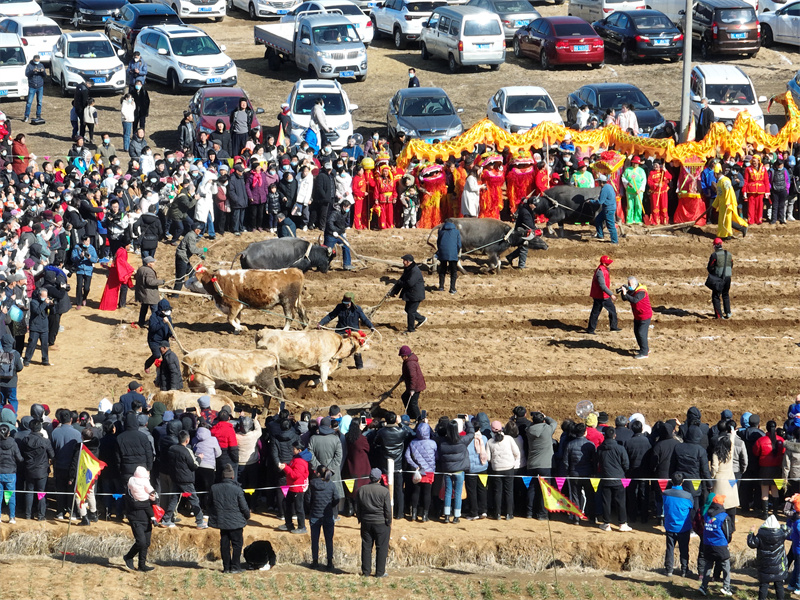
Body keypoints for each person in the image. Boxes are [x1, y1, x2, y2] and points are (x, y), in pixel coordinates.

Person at [208, 462, 250, 574]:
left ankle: (226, 567)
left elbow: (208, 503)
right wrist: (247, 516)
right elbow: (244, 507)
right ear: (232, 476)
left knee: (224, 544)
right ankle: (235, 567)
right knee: (237, 544)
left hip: (222, 521)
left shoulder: (214, 488)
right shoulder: (237, 489)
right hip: (236, 522)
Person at [318, 292, 374, 369]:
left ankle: (359, 366)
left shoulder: (357, 309)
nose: (346, 304)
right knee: (338, 347)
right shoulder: (339, 307)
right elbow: (331, 316)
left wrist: (371, 326)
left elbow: (364, 319)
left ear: (352, 302)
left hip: (354, 332)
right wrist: (321, 323)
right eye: (345, 303)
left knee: (357, 349)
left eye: (348, 303)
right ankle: (338, 364)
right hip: (341, 331)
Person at [162, 431, 206, 529]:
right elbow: (194, 466)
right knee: (194, 499)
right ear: (187, 440)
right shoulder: (187, 451)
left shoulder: (171, 449)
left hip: (175, 477)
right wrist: (199, 458)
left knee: (174, 498)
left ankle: (166, 519)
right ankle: (200, 521)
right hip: (186, 480)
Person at [355, 467, 391, 577]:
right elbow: (388, 510)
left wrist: (360, 519)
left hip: (366, 521)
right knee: (381, 547)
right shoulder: (384, 491)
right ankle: (380, 572)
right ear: (380, 478)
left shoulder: (361, 490)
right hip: (381, 523)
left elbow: (358, 508)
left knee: (366, 547)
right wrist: (388, 521)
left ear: (370, 478)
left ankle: (366, 571)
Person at [596, 427, 631, 532]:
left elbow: (598, 463)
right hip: (618, 479)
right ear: (614, 436)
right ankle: (622, 523)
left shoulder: (600, 449)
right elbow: (626, 464)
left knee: (606, 502)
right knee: (620, 502)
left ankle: (606, 524)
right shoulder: (620, 448)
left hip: (605, 478)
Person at [122, 466, 157, 572]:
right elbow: (135, 504)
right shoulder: (129, 489)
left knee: (146, 543)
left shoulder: (147, 488)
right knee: (141, 542)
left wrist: (153, 499)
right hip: (135, 518)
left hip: (147, 518)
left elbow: (155, 501)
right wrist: (147, 502)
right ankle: (128, 556)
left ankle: (142, 565)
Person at [699, 495, 734, 597]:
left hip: (708, 544)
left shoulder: (707, 515)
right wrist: (727, 542)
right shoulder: (724, 517)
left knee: (708, 566)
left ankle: (703, 587)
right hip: (720, 545)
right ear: (721, 504)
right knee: (726, 566)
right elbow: (728, 532)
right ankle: (726, 587)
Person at [747, 515, 788, 600]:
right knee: (779, 586)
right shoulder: (781, 535)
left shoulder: (760, 535)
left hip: (764, 565)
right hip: (779, 566)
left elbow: (751, 543)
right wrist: (783, 527)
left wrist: (751, 533)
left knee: (764, 585)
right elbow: (789, 531)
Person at [19, 419, 52, 520]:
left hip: (29, 469)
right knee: (41, 492)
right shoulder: (45, 441)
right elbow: (52, 455)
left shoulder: (25, 440)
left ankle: (28, 514)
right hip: (42, 471)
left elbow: (22, 453)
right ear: (40, 428)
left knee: (29, 491)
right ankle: (41, 515)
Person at [307, 465, 339, 570]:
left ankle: (315, 561)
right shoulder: (331, 485)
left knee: (315, 539)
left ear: (318, 473)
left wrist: (311, 508)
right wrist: (330, 506)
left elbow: (308, 499)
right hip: (328, 515)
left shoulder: (312, 484)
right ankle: (329, 562)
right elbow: (337, 498)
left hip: (315, 514)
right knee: (328, 539)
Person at [663, 472, 695, 578]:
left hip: (670, 526)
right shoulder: (688, 496)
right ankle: (684, 570)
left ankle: (668, 570)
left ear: (671, 481)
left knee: (669, 548)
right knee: (684, 549)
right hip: (684, 527)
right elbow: (691, 507)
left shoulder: (665, 493)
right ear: (682, 482)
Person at [405, 422, 436, 522]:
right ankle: (424, 515)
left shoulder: (413, 442)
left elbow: (407, 456)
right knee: (427, 493)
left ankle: (413, 514)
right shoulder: (433, 443)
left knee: (416, 492)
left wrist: (415, 466)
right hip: (429, 471)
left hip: (417, 471)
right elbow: (437, 456)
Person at [388, 254, 427, 333]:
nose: (403, 262)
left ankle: (411, 329)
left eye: (404, 260)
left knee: (411, 312)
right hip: (411, 294)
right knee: (407, 309)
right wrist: (394, 292)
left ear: (408, 262)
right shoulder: (408, 269)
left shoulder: (415, 270)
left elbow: (409, 283)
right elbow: (401, 280)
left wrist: (400, 282)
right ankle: (421, 319)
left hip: (416, 294)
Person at [279, 440, 311, 534]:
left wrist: (285, 468)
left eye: (294, 449)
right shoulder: (296, 458)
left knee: (299, 507)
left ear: (299, 450)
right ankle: (288, 524)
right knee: (286, 504)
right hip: (292, 486)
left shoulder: (300, 461)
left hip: (298, 488)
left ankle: (302, 526)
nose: (292, 450)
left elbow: (295, 475)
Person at [619, 276, 652, 359]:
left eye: (630, 284)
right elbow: (624, 298)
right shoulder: (633, 290)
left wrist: (626, 293)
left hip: (645, 316)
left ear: (635, 284)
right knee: (637, 332)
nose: (629, 285)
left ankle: (644, 353)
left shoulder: (641, 292)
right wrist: (623, 292)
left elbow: (634, 300)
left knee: (641, 333)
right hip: (637, 315)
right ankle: (644, 349)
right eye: (628, 284)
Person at [713, 164, 748, 239]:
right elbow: (719, 195)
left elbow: (729, 192)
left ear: (715, 174)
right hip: (723, 204)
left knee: (727, 220)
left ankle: (728, 234)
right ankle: (724, 234)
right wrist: (715, 204)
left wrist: (728, 203)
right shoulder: (720, 182)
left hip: (727, 204)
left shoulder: (725, 181)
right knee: (723, 220)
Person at [587, 255, 620, 334]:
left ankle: (591, 329)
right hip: (602, 296)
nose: (609, 264)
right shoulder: (600, 272)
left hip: (600, 295)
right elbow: (602, 286)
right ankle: (613, 327)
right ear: (604, 263)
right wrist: (611, 294)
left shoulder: (602, 269)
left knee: (596, 312)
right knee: (610, 310)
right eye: (607, 263)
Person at [100, 244, 135, 311]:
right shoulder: (123, 251)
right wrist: (130, 269)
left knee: (122, 287)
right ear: (125, 245)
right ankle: (122, 304)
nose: (129, 246)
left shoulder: (119, 250)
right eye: (128, 245)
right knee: (124, 287)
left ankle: (119, 304)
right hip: (120, 271)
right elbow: (121, 262)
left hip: (117, 270)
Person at [173, 221, 204, 293]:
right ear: (196, 230)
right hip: (182, 258)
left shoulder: (192, 235)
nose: (200, 231)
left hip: (185, 259)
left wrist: (200, 255)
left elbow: (191, 248)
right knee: (180, 278)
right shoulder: (191, 236)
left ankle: (194, 289)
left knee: (192, 273)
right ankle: (175, 294)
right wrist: (203, 250)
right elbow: (193, 250)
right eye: (199, 230)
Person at [134, 256, 164, 328]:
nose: (154, 263)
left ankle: (141, 322)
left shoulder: (140, 269)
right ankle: (155, 324)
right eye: (152, 262)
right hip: (150, 294)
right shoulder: (149, 271)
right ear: (148, 264)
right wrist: (161, 282)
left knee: (143, 309)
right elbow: (150, 282)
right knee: (155, 310)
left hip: (142, 293)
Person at [23, 287, 51, 367]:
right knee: (32, 344)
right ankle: (27, 359)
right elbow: (37, 311)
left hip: (44, 327)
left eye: (46, 296)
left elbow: (51, 312)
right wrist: (45, 303)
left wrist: (51, 305)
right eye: (43, 296)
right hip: (35, 327)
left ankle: (45, 359)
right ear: (39, 295)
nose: (45, 298)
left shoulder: (46, 302)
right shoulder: (33, 302)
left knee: (45, 345)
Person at [707, 237, 733, 320]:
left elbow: (710, 267)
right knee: (725, 294)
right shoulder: (729, 253)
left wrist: (714, 274)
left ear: (714, 246)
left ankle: (719, 316)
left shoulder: (714, 255)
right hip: (728, 277)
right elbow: (731, 264)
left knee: (716, 296)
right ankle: (728, 312)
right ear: (721, 244)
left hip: (719, 278)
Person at [324, 201, 353, 271]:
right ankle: (324, 265)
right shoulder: (335, 212)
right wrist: (334, 231)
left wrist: (343, 232)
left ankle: (347, 264)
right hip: (331, 234)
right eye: (348, 207)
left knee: (346, 246)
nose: (348, 209)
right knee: (327, 251)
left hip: (339, 234)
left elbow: (343, 223)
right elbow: (329, 222)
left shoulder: (345, 212)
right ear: (344, 206)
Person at [71, 235, 99, 308]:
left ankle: (84, 297)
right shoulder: (77, 248)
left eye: (88, 241)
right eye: (86, 241)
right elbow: (73, 258)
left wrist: (90, 258)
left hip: (88, 270)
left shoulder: (92, 248)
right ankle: (79, 302)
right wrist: (80, 256)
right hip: (80, 270)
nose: (87, 243)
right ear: (82, 241)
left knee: (87, 287)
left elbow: (95, 259)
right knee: (79, 286)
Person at [0, 333, 24, 413]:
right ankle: (13, 417)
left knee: (1, 401)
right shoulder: (15, 353)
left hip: (1, 383)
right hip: (12, 382)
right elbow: (20, 368)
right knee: (12, 400)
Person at [593, 173, 618, 243]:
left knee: (611, 226)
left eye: (598, 181)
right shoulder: (609, 186)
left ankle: (614, 241)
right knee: (598, 220)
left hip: (608, 209)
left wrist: (591, 201)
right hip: (608, 208)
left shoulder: (604, 189)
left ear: (601, 182)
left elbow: (600, 201)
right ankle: (600, 235)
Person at [622, 156, 646, 224]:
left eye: (636, 163)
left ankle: (638, 219)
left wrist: (640, 189)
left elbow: (644, 181)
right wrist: (627, 183)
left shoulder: (641, 171)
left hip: (638, 192)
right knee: (630, 205)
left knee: (638, 205)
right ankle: (629, 220)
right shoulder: (627, 170)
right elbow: (623, 178)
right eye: (634, 163)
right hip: (629, 191)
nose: (635, 164)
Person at [23, 54, 45, 123]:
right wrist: (32, 71)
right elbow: (27, 74)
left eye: (38, 61)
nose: (37, 62)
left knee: (40, 102)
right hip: (32, 86)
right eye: (36, 61)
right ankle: (26, 116)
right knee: (29, 102)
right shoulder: (29, 66)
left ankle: (38, 115)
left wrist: (42, 71)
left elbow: (45, 75)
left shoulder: (41, 65)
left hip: (40, 86)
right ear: (33, 60)